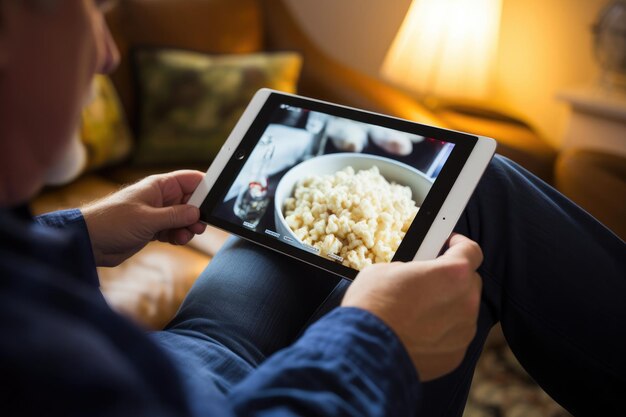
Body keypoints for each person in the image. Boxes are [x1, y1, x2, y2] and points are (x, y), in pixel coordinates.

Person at [0, 1, 623, 416]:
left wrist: (77, 232)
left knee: (469, 184)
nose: (107, 53)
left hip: (186, 354)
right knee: (464, 207)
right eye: (92, 9)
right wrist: (376, 342)